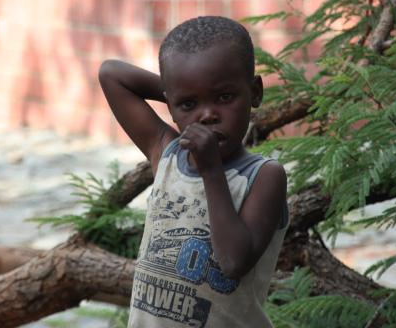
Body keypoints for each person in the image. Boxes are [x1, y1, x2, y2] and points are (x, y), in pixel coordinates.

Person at [98, 16, 288, 327]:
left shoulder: (263, 176)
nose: (208, 115)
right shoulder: (168, 155)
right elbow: (111, 74)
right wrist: (177, 92)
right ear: (171, 107)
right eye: (190, 105)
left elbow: (233, 262)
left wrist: (211, 170)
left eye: (224, 97)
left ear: (254, 92)